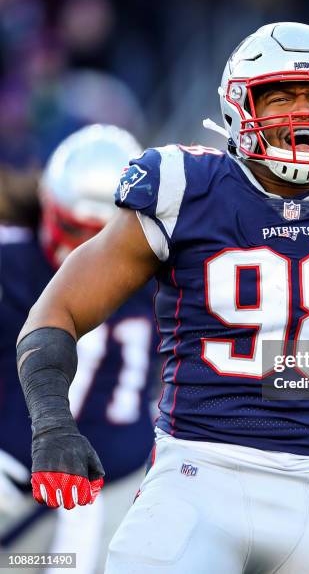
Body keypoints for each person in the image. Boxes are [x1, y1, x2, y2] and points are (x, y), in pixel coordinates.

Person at [16, 23, 309, 573]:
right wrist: (53, 424)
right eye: (280, 97)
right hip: (197, 475)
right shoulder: (185, 188)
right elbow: (56, 311)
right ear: (239, 109)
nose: (302, 114)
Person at [1, 125, 160, 574]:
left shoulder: (164, 276)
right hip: (13, 461)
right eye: (73, 228)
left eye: (99, 236)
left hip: (107, 477)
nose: (79, 252)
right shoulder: (11, 260)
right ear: (49, 204)